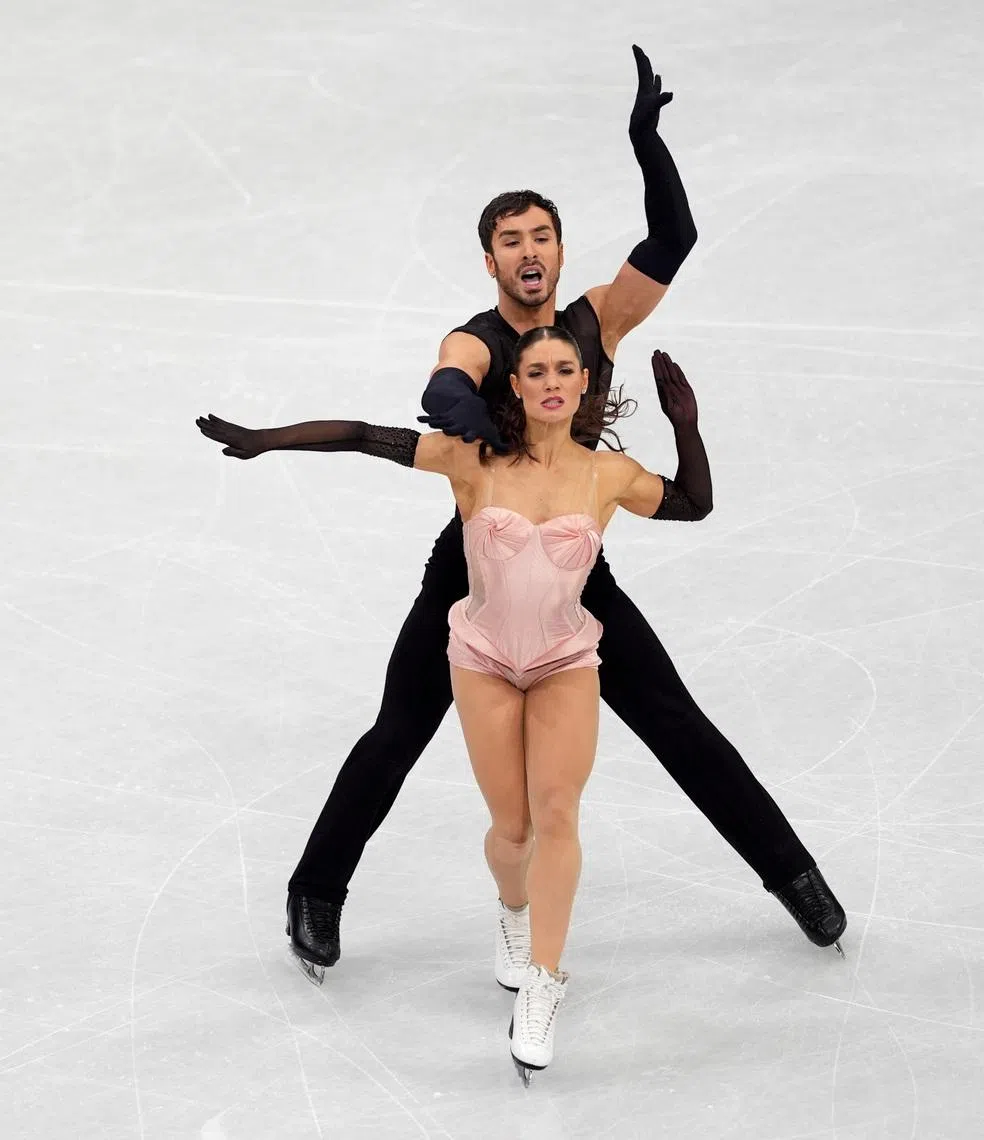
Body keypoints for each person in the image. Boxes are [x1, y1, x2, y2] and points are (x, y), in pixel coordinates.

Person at [280, 45, 845, 982]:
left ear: (558, 248)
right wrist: (480, 425)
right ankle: (316, 890)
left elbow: (673, 241)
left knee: (680, 725)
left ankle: (793, 875)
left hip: (577, 577)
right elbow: (444, 390)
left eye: (541, 234)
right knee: (397, 732)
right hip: (475, 575)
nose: (529, 251)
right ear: (490, 258)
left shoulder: (596, 324)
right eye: (511, 240)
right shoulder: (477, 338)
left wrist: (646, 144)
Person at [199, 333, 712, 1081]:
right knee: (515, 830)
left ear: (580, 385)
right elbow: (364, 437)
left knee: (559, 811)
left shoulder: (610, 474)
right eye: (536, 370)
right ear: (516, 384)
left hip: (567, 660)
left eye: (565, 370)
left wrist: (687, 424)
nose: (552, 381)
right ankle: (513, 910)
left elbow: (694, 504)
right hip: (484, 663)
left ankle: (543, 982)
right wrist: (268, 440)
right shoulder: (470, 459)